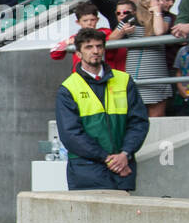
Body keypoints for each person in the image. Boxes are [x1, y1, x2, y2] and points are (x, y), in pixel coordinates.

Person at [57, 29, 149, 190]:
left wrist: (125, 153)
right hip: (87, 170)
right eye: (89, 47)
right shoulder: (68, 88)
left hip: (122, 168)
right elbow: (70, 134)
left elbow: (139, 122)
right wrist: (109, 159)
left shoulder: (124, 80)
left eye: (99, 46)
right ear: (78, 53)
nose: (95, 51)